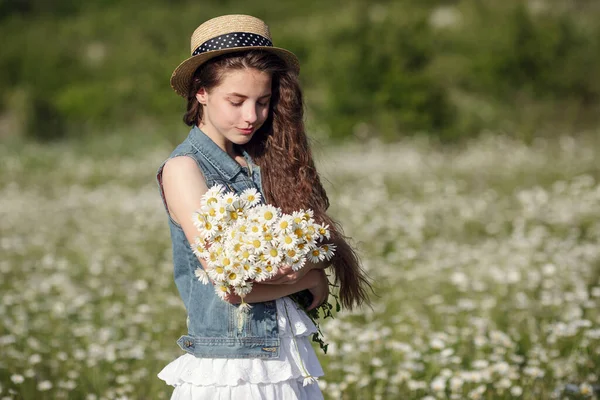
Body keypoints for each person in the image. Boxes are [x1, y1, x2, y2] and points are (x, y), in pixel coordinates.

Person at [156, 14, 370, 399]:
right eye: (235, 101)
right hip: (234, 369)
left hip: (284, 357)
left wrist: (309, 267)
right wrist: (307, 278)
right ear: (201, 92)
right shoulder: (184, 169)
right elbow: (230, 284)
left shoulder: (262, 158)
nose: (251, 116)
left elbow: (315, 241)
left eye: (263, 102)